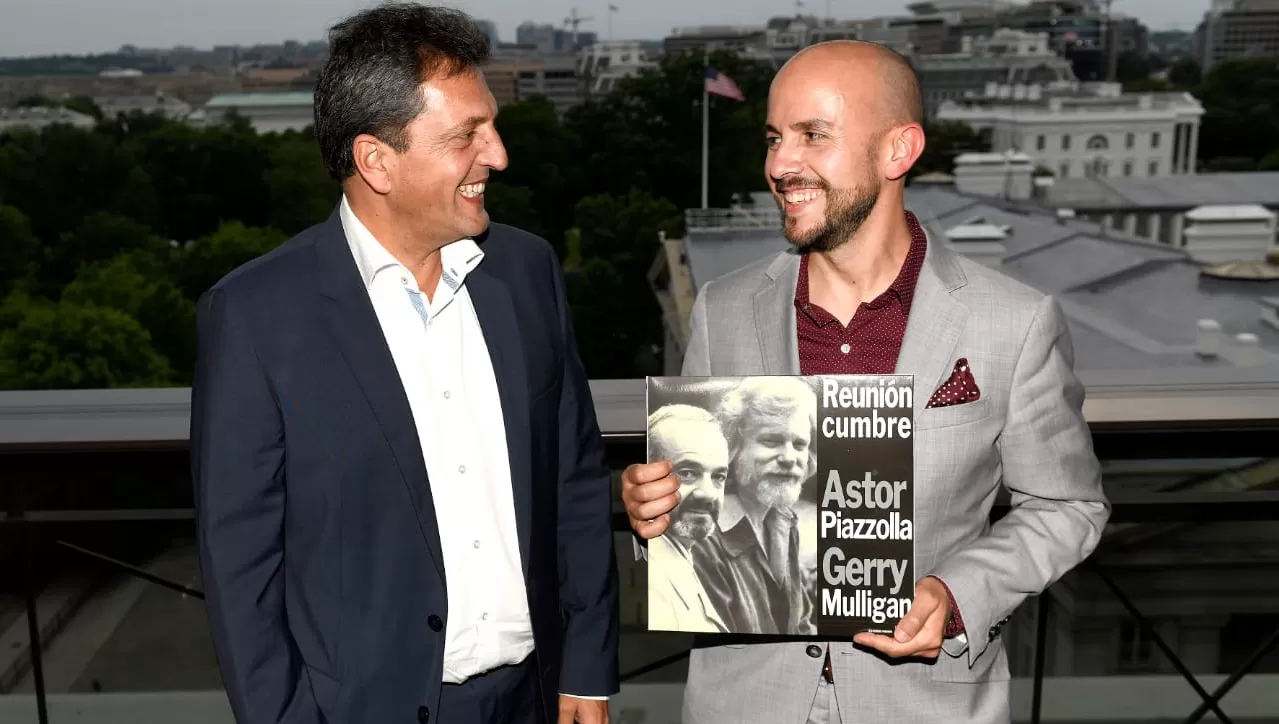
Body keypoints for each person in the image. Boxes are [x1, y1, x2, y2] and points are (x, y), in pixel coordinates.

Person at [621, 39, 1109, 723]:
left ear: (897, 151)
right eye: (774, 138)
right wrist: (655, 507)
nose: (779, 164)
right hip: (745, 700)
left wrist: (957, 594)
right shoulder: (724, 308)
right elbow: (702, 509)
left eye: (812, 135)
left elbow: (1067, 507)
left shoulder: (1013, 322)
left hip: (925, 705)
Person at [189, 5, 617, 724]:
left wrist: (587, 667)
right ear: (376, 161)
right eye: (465, 135)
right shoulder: (255, 317)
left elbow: (573, 480)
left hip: (540, 699)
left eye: (491, 126)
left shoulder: (527, 271)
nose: (498, 154)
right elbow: (240, 568)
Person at [692, 377, 819, 635]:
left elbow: (800, 625)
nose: (789, 458)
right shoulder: (704, 539)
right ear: (732, 447)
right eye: (771, 441)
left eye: (799, 444)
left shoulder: (784, 521)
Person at [645, 404, 731, 633]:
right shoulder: (650, 580)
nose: (708, 493)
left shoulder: (682, 560)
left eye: (718, 476)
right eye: (687, 473)